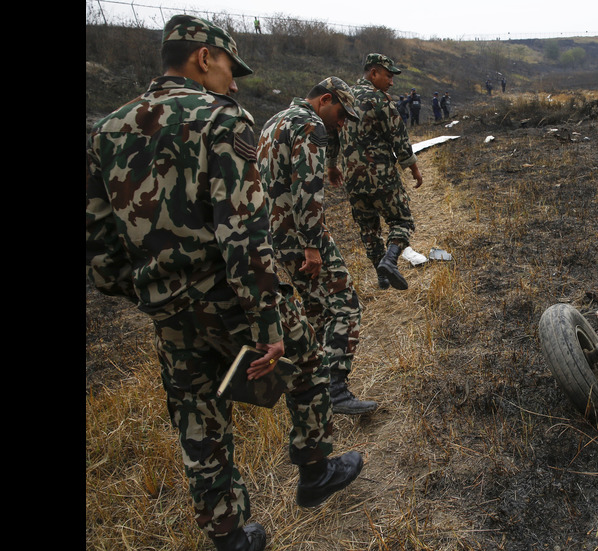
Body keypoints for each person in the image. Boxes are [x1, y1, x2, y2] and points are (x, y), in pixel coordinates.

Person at [85, 15, 362, 551]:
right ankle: (314, 469)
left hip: (167, 308)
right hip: (231, 298)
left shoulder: (106, 131)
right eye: (230, 66)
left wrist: (150, 292)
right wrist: (266, 325)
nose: (234, 81)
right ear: (204, 57)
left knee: (197, 416)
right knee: (303, 357)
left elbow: (98, 247)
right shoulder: (221, 118)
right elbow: (244, 235)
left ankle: (231, 536)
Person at [256, 76, 378, 415]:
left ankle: (315, 393)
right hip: (302, 235)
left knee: (317, 311)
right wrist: (312, 245)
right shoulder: (309, 125)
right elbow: (307, 188)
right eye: (341, 114)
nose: (341, 124)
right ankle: (336, 390)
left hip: (277, 235)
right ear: (325, 100)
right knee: (346, 305)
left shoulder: (273, 122)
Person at [340, 53, 423, 290]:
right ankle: (389, 260)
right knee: (402, 219)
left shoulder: (342, 99)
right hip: (381, 177)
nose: (392, 81)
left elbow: (333, 133)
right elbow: (399, 138)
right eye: (388, 75)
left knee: (368, 228)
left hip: (352, 180)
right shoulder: (380, 100)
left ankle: (382, 276)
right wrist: (414, 168)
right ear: (373, 73)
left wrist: (332, 166)